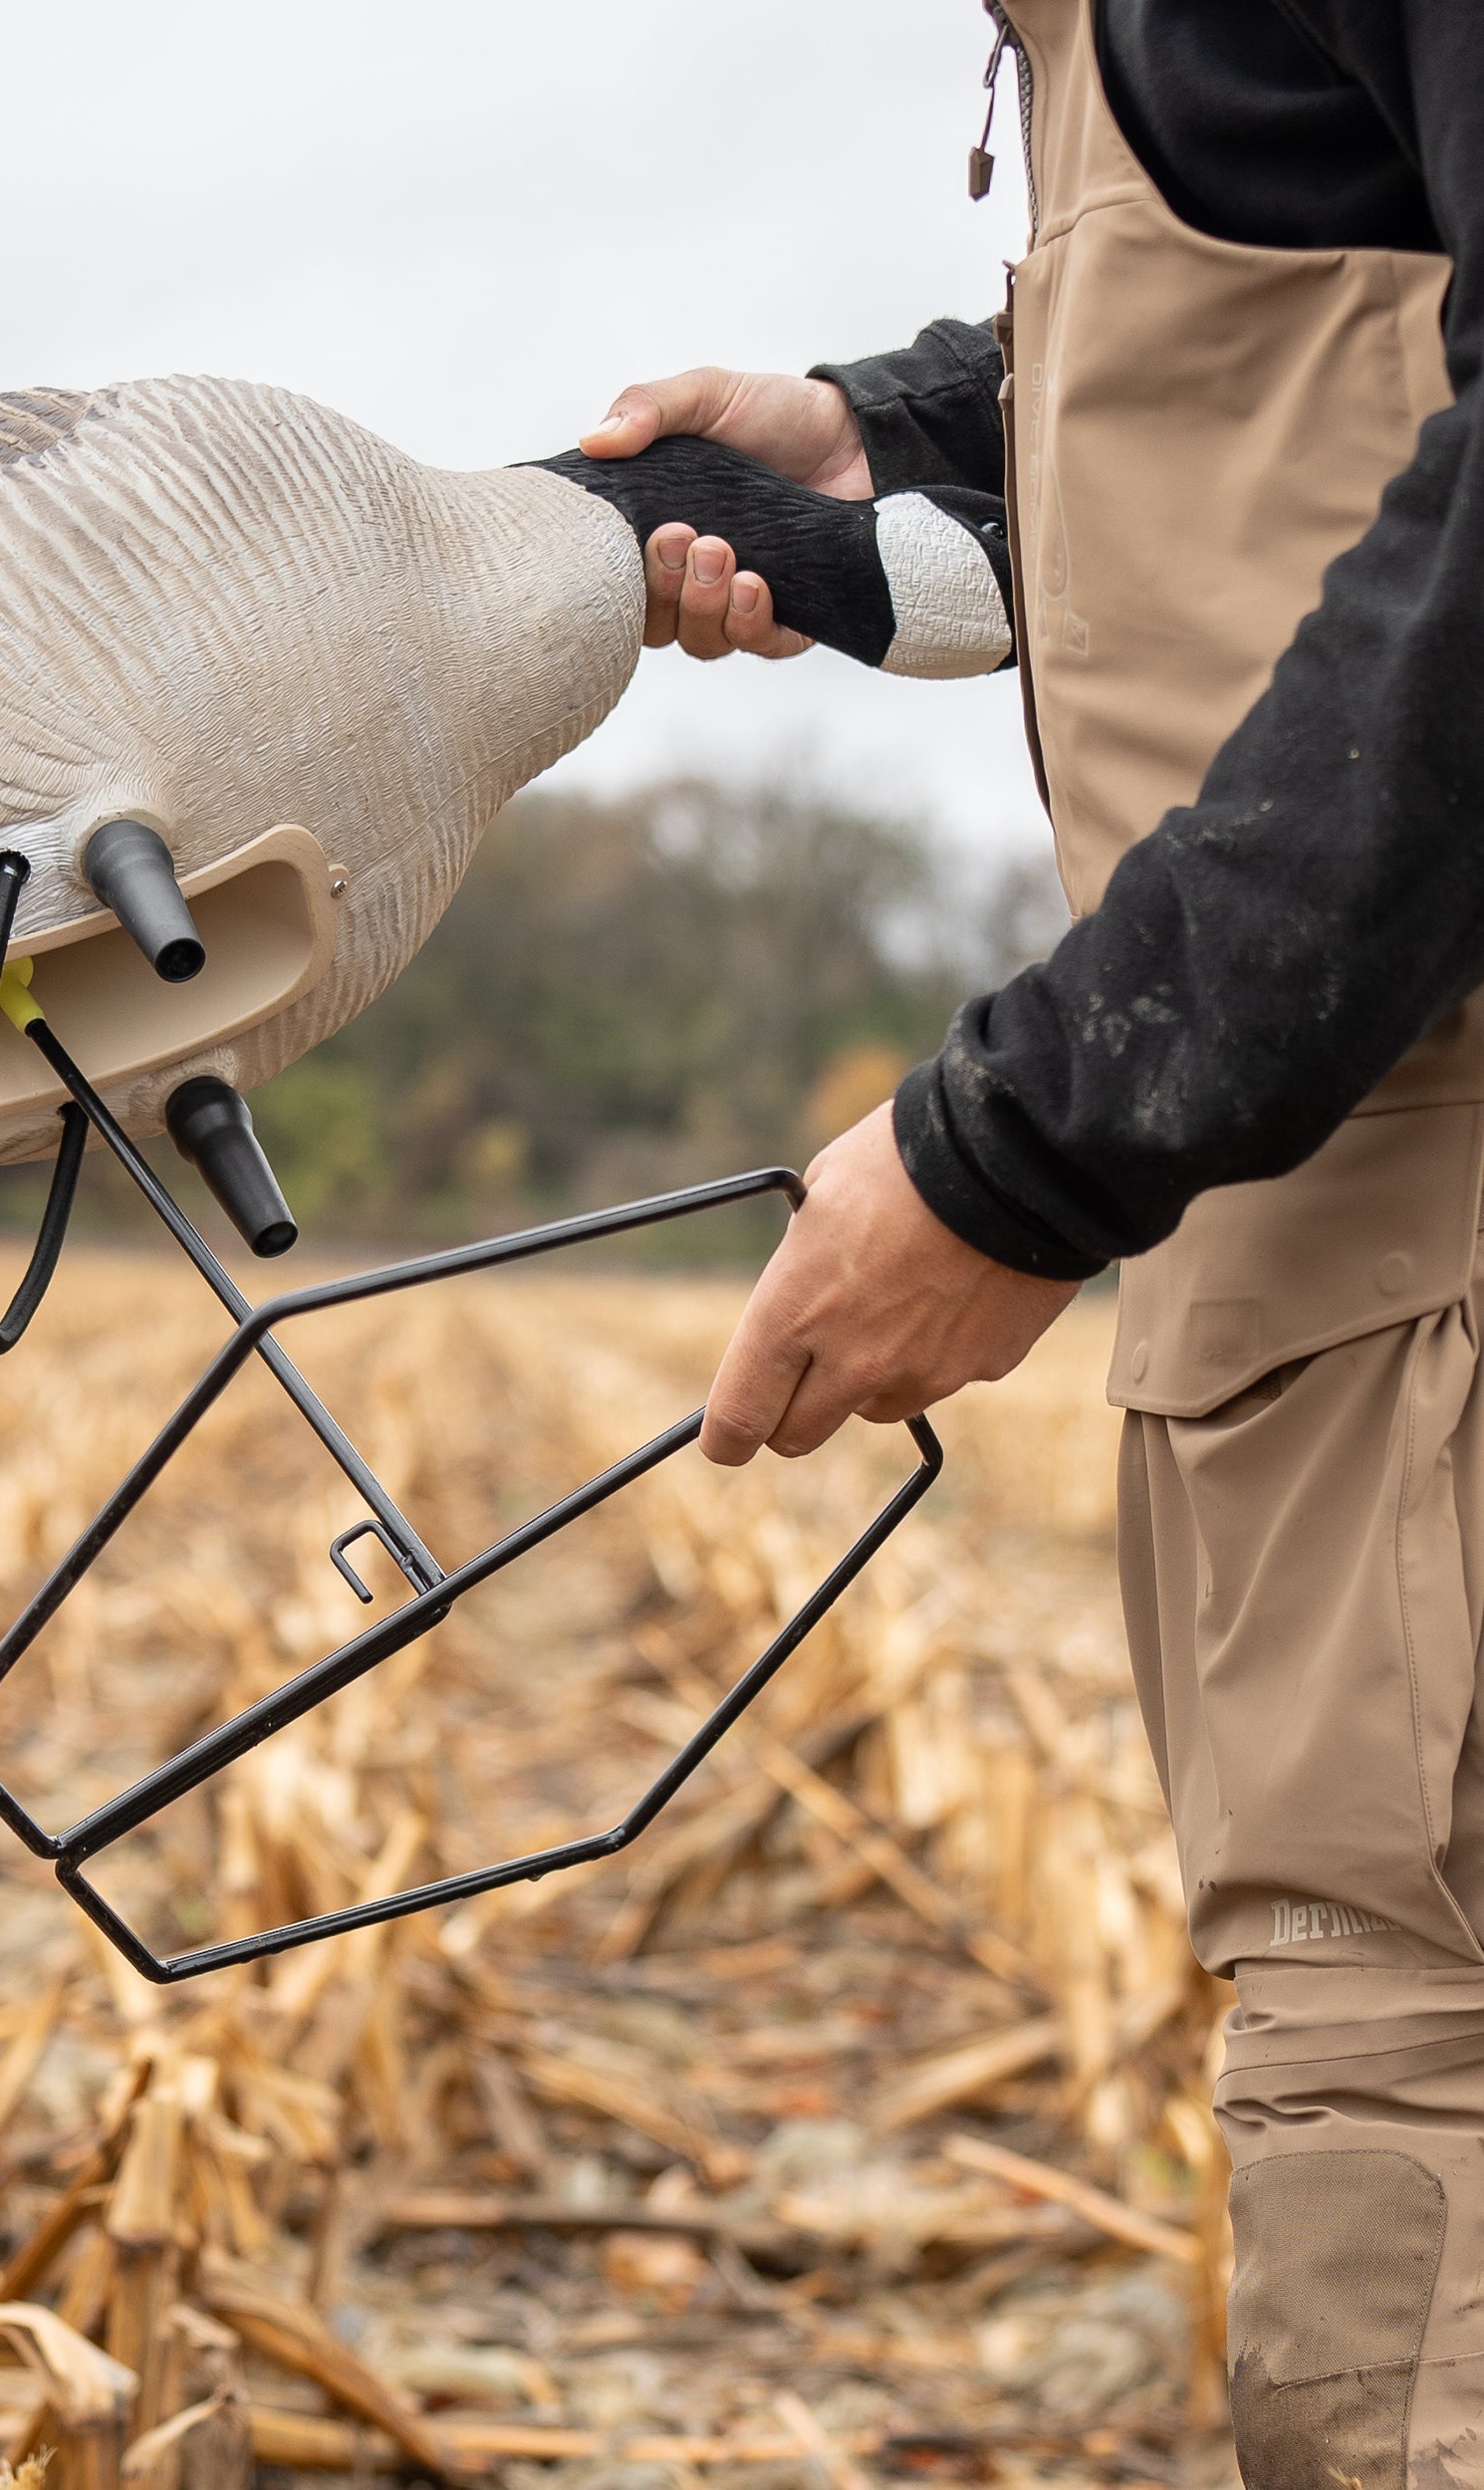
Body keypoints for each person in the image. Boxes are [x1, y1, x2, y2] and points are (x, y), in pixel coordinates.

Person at [593, 8, 1484, 2487]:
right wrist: (899, 433)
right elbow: (1333, 318)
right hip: (1328, 1277)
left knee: (1412, 2158)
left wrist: (1024, 1148)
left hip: (1421, 1274)